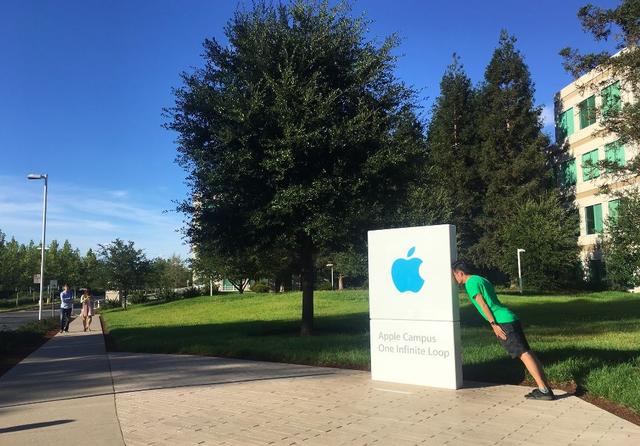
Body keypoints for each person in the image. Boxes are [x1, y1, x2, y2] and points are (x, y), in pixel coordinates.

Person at [451, 260, 555, 401]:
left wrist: (494, 324)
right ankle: (545, 388)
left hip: (502, 322)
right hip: (509, 318)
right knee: (527, 353)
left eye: (454, 275)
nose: (454, 278)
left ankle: (544, 390)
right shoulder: (480, 279)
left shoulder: (470, 283)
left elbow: (483, 305)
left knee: (523, 354)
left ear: (460, 273)